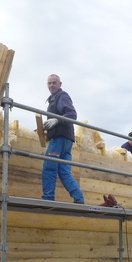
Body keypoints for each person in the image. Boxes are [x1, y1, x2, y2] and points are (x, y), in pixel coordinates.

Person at [41, 74, 85, 204]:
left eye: (54, 83)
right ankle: (79, 197)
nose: (51, 85)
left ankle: (48, 198)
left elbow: (72, 114)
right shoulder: (54, 99)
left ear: (60, 84)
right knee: (64, 171)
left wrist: (56, 120)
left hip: (59, 138)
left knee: (49, 167)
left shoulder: (61, 96)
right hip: (66, 140)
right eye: (49, 83)